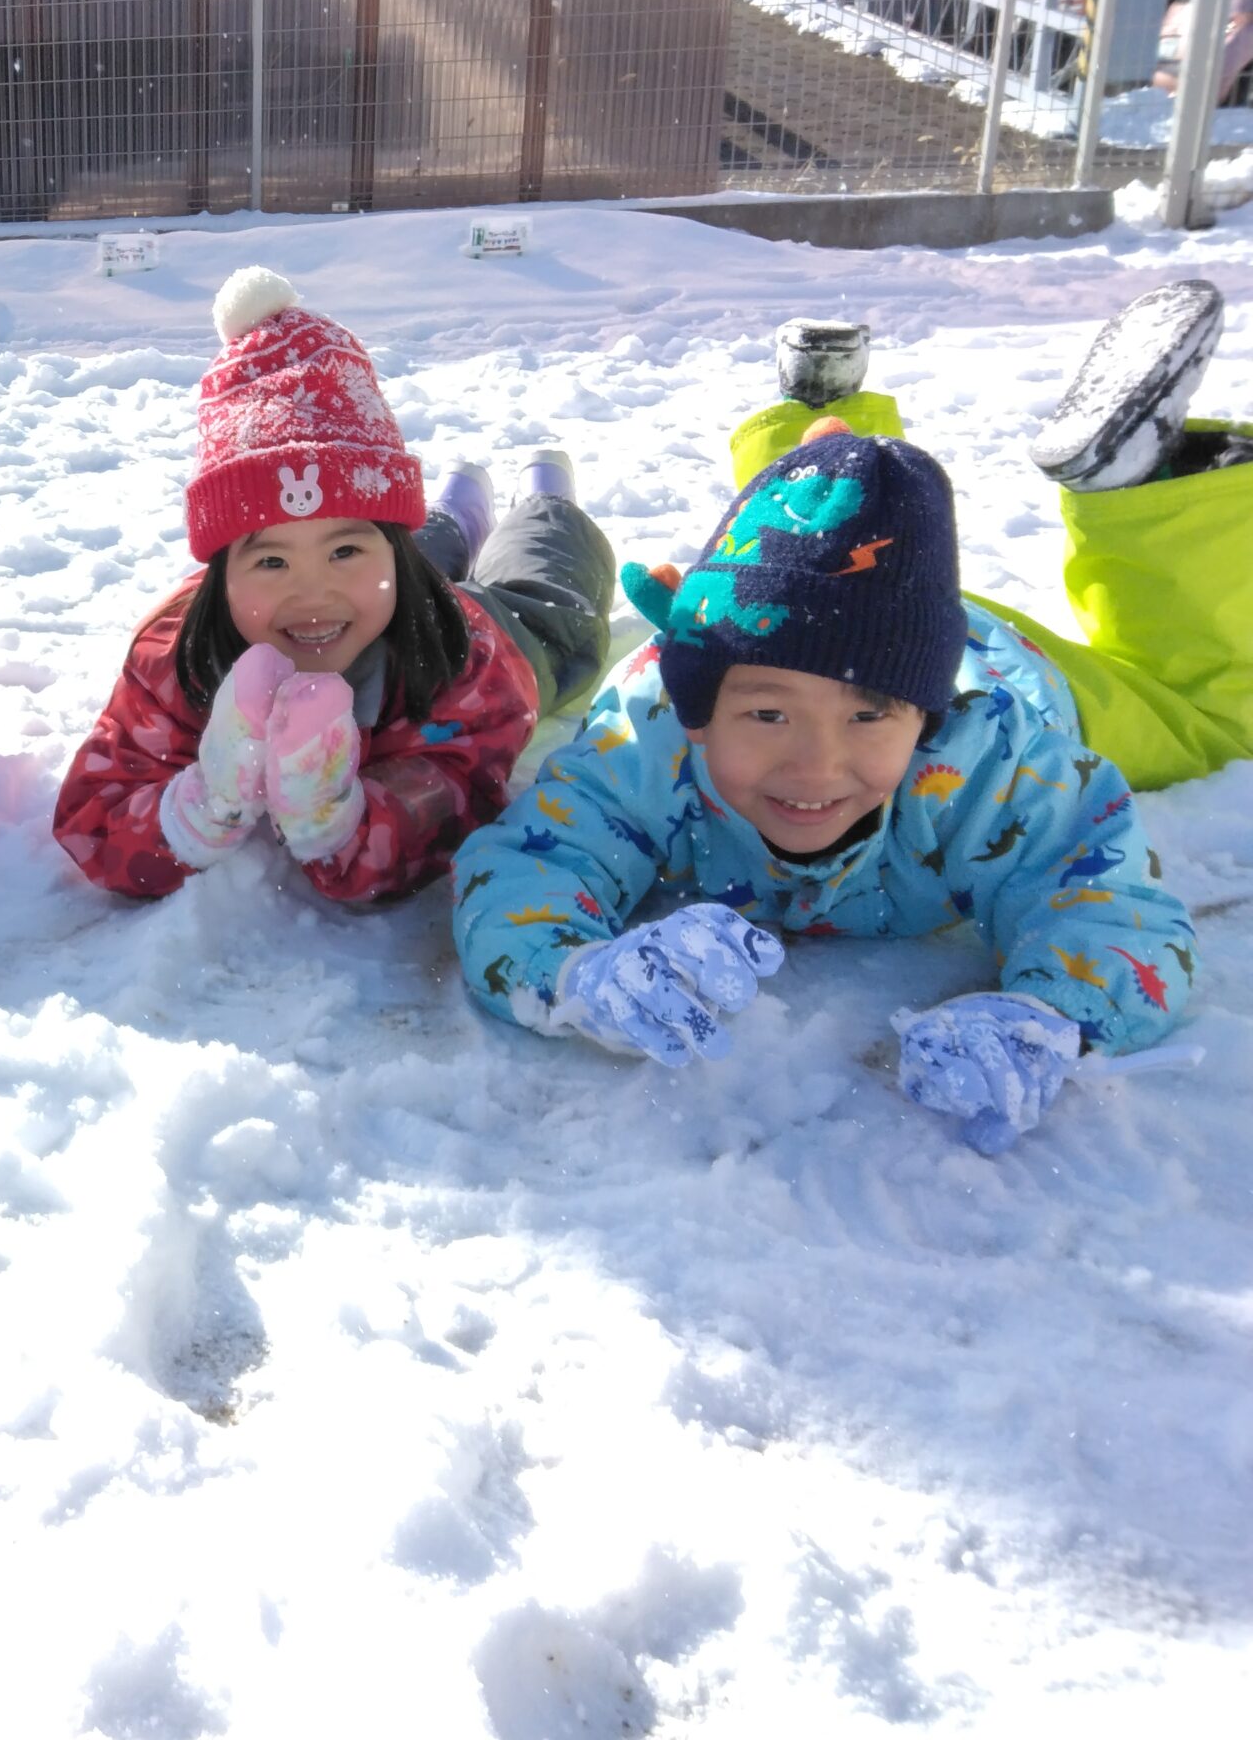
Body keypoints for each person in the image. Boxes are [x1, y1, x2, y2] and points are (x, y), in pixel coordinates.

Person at [451, 279, 1243, 1152]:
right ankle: (828, 421)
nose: (817, 767)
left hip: (980, 651)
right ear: (697, 711)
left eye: (868, 722)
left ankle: (1145, 495)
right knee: (809, 542)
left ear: (928, 722)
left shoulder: (995, 758)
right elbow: (536, 860)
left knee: (1205, 715)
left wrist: (1053, 1015)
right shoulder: (650, 735)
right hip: (847, 623)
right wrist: (574, 973)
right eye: (768, 716)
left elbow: (1106, 895)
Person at [54, 267, 615, 903]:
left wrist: (339, 824)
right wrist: (199, 809)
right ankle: (455, 508)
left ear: (392, 545)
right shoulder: (175, 657)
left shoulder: (468, 657)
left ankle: (544, 500)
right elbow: (95, 810)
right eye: (271, 562)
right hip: (380, 592)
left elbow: (459, 787)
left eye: (344, 549)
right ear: (220, 573)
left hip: (436, 613)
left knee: (544, 589)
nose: (312, 593)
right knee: (368, 566)